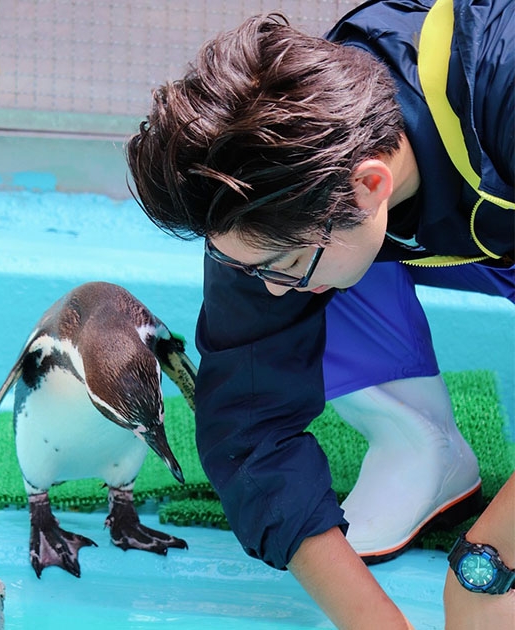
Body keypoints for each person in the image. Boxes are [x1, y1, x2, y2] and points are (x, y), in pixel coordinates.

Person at [125, 0, 513, 626]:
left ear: (369, 185)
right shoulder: (278, 178)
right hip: (431, 227)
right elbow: (249, 431)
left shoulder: (500, 77)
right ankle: (418, 441)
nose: (269, 292)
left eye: (279, 263)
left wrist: (487, 562)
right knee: (316, 277)